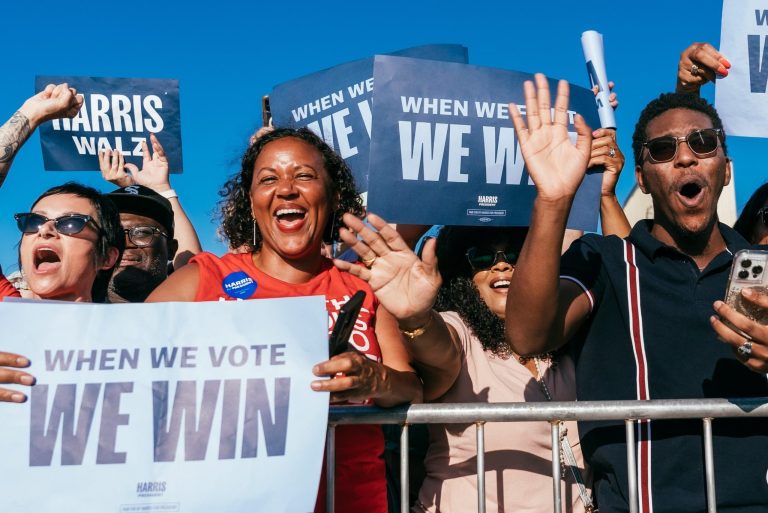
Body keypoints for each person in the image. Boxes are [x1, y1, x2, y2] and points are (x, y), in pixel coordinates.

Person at [505, 74, 768, 512]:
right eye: (663, 150)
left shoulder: (762, 268)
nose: (685, 158)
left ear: (725, 166)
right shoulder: (605, 261)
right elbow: (529, 336)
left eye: (703, 143)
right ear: (643, 179)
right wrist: (552, 201)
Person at [146, 127, 431, 513]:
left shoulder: (363, 286)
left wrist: (375, 380)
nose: (286, 189)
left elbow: (410, 389)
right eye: (268, 179)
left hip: (348, 500)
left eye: (304, 175)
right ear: (251, 202)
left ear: (332, 198)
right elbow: (119, 365)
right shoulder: (203, 279)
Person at [99, 133, 201, 269]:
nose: (127, 242)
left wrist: (160, 189)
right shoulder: (86, 287)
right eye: (116, 234)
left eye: (142, 232)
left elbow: (191, 268)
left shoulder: (179, 287)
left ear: (171, 249)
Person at [105, 184, 178, 302]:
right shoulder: (72, 310)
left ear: (171, 249)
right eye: (113, 232)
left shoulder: (195, 311)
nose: (124, 243)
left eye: (141, 232)